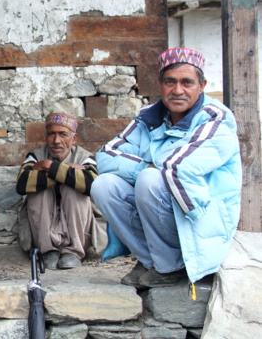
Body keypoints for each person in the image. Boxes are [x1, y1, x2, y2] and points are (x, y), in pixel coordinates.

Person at [91, 48, 242, 288]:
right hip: (167, 214)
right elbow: (105, 157)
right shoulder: (149, 117)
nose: (178, 90)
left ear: (201, 86)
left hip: (202, 215)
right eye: (170, 82)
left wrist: (148, 168)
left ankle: (171, 265)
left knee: (151, 179)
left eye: (187, 82)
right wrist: (145, 166)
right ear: (160, 85)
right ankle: (153, 262)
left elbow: (179, 166)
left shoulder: (216, 117)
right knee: (104, 185)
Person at [16, 112, 106, 270]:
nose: (56, 141)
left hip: (77, 229)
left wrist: (48, 167)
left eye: (63, 134)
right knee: (40, 191)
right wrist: (69, 172)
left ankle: (73, 251)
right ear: (46, 137)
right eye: (51, 134)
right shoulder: (35, 156)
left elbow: (91, 184)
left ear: (74, 138)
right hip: (43, 230)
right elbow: (22, 184)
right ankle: (48, 251)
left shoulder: (85, 157)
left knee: (75, 189)